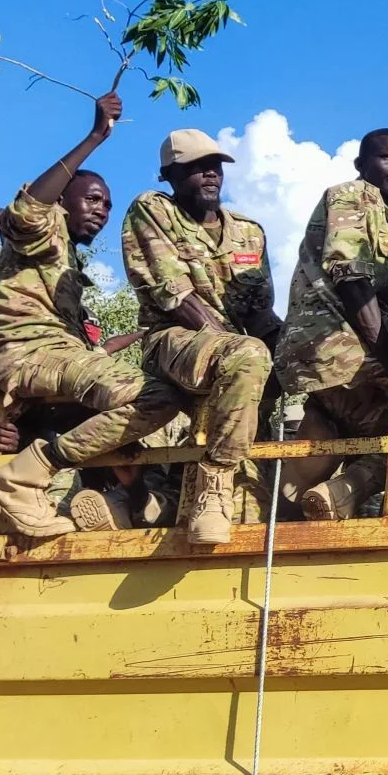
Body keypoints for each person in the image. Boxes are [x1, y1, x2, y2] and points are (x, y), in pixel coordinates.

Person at [0, 94, 185, 537]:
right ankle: (23, 479)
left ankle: (110, 499)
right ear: (63, 201)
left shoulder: (64, 254)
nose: (101, 211)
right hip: (26, 353)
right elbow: (28, 210)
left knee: (127, 433)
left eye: (107, 205)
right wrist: (95, 136)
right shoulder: (46, 230)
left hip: (52, 354)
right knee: (157, 398)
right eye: (92, 199)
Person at [121, 128, 280, 544]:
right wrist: (241, 349)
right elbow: (176, 297)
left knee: (304, 360)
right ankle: (215, 480)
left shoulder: (248, 232)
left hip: (237, 354)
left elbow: (260, 313)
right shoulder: (153, 210)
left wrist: (290, 353)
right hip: (173, 340)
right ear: (169, 176)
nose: (210, 174)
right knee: (248, 356)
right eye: (196, 167)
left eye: (215, 166)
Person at [275, 128, 388, 519]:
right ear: (361, 163)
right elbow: (352, 281)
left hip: (334, 354)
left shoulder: (380, 215)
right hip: (336, 349)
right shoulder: (353, 196)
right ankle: (338, 492)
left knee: (352, 431)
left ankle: (301, 499)